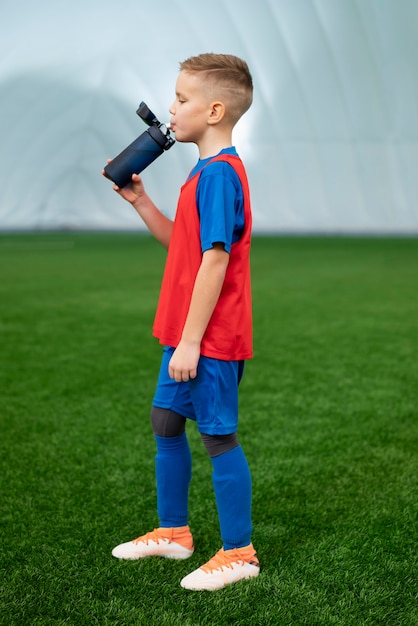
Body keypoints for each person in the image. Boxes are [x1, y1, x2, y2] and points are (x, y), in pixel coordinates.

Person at [105, 53, 258, 591]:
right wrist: (143, 204)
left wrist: (192, 341)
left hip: (210, 337)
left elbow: (214, 262)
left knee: (218, 437)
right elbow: (186, 251)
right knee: (166, 423)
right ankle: (174, 532)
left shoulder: (219, 175)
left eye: (182, 99)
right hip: (186, 334)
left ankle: (240, 552)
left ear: (214, 110)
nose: (171, 108)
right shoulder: (201, 173)